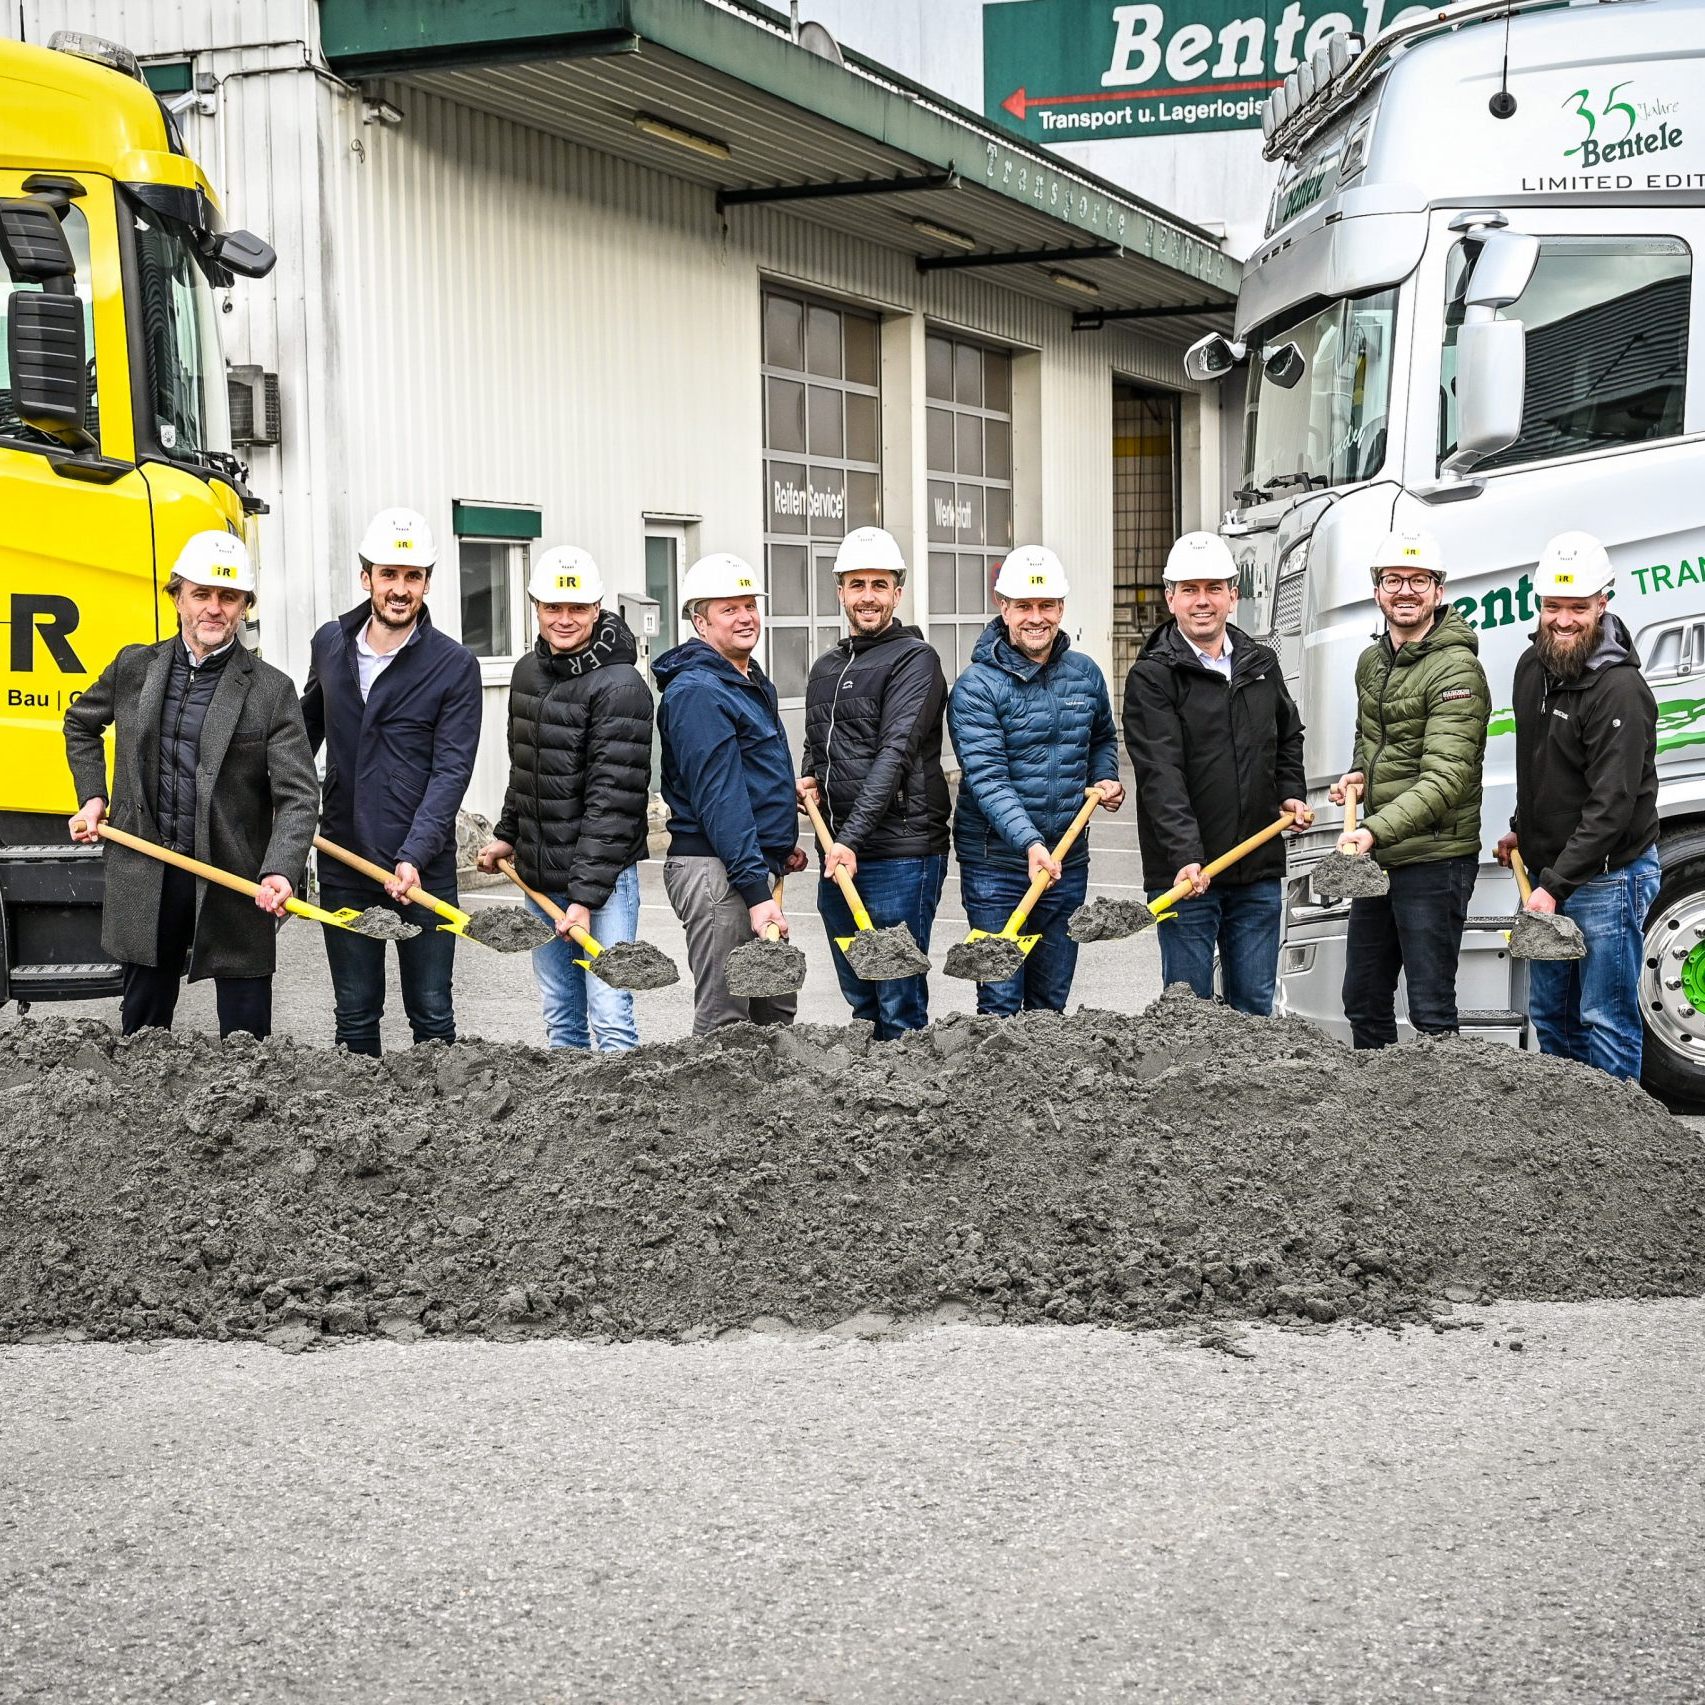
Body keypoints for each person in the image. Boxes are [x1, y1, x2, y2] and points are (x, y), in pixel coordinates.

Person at [64, 532, 318, 1040]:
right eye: (201, 594)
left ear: (244, 605)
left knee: (246, 1041)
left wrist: (280, 871)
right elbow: (80, 724)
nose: (213, 609)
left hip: (233, 878)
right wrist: (94, 797)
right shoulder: (135, 667)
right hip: (148, 871)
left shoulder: (271, 690)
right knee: (143, 1031)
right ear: (177, 596)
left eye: (228, 597)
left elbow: (299, 795)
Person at [301, 506, 482, 1056]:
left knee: (431, 1015)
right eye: (389, 574)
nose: (400, 589)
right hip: (344, 856)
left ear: (427, 582)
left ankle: (437, 1133)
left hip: (421, 868)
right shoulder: (330, 645)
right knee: (355, 1015)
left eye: (412, 577)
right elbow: (300, 736)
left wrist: (414, 855)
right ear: (367, 578)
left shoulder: (454, 665)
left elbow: (451, 771)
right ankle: (362, 1134)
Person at [1124, 531, 1311, 1016]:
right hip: (1188, 873)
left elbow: (1288, 736)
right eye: (1189, 590)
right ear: (1171, 598)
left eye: (1213, 588)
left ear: (1234, 594)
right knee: (1189, 1014)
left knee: (1253, 1008)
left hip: (1257, 868)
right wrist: (1186, 855)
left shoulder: (1260, 663)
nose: (1201, 601)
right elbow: (1160, 774)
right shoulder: (1153, 676)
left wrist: (1289, 792)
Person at [477, 547, 655, 1051]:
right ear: (535, 606)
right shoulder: (528, 673)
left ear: (597, 608)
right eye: (553, 607)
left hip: (600, 882)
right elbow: (527, 767)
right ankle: (568, 1128)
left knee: (610, 1013)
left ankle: (624, 1125)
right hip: (540, 870)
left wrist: (582, 899)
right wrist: (507, 836)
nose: (564, 619)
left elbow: (613, 803)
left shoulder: (621, 686)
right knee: (561, 1018)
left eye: (577, 608)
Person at [1496, 532, 1658, 1080]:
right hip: (1553, 877)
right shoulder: (1529, 669)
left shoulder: (1620, 691)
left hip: (1609, 881)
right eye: (1552, 607)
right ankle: (1569, 1154)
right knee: (1553, 1016)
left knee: (1604, 1018)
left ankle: (1619, 1152)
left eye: (1577, 608)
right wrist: (1524, 828)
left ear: (1603, 604)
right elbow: (1539, 765)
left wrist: (1551, 887)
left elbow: (1611, 806)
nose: (1563, 620)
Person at [1329, 527, 1490, 1048]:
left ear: (1439, 591)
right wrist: (1359, 774)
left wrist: (1372, 830)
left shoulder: (1456, 668)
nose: (1406, 591)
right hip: (1381, 854)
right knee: (1364, 998)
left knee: (1430, 1006)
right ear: (1377, 589)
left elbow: (1446, 778)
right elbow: (1373, 739)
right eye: (1393, 579)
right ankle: (1381, 1120)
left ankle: (1441, 1121)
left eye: (1419, 580)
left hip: (1435, 858)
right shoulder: (1372, 663)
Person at [947, 544, 1123, 1016]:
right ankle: (993, 1092)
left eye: (1046, 605)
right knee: (1001, 999)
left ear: (1061, 608)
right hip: (997, 866)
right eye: (1024, 605)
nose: (1036, 617)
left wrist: (1105, 778)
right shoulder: (976, 687)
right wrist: (1029, 844)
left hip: (1067, 859)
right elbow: (988, 778)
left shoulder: (1084, 674)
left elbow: (1103, 738)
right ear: (1003, 607)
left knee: (1049, 1003)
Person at [798, 526, 950, 1040]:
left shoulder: (915, 660)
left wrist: (848, 839)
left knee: (898, 999)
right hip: (840, 853)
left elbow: (895, 753)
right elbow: (819, 740)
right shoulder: (826, 667)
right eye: (857, 584)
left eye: (879, 585)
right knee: (860, 990)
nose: (868, 596)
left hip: (900, 854)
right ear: (840, 590)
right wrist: (809, 775)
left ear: (897, 593)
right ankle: (867, 1103)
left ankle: (908, 1104)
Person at [654, 553, 806, 1034]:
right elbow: (720, 798)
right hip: (718, 874)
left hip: (749, 865)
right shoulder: (697, 691)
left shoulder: (748, 680)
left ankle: (773, 1110)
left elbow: (750, 776)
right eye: (729, 609)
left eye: (750, 606)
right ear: (700, 622)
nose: (745, 617)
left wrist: (781, 842)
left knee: (774, 1012)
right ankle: (709, 1112)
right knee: (727, 1019)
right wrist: (756, 891)